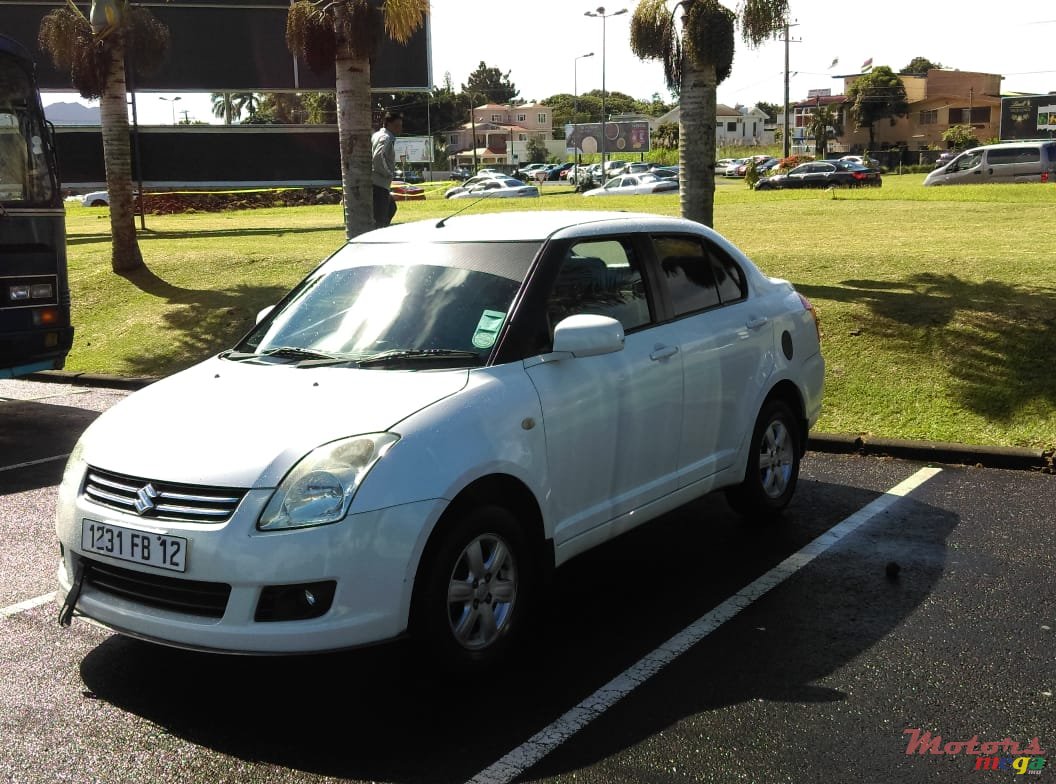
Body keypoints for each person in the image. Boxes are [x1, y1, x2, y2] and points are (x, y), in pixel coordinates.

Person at [371, 110, 402, 228]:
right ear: (388, 124)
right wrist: (389, 172)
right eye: (397, 126)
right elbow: (378, 157)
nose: (399, 129)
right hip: (378, 185)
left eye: (400, 126)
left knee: (391, 207)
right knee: (380, 220)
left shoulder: (377, 135)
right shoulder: (386, 137)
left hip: (380, 185)